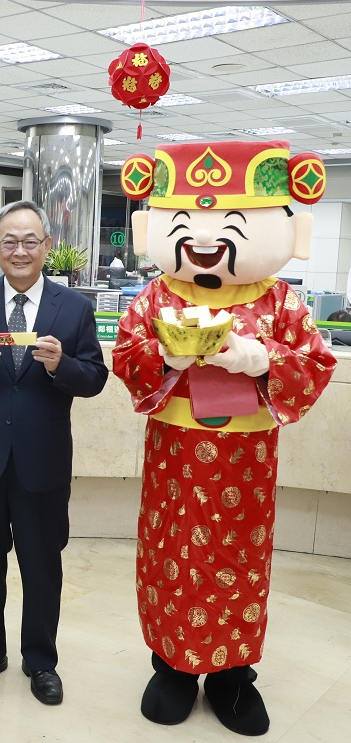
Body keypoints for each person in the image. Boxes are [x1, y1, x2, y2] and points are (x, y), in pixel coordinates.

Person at [113, 140, 337, 736]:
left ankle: (233, 673)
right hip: (175, 458)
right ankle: (172, 665)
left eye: (232, 224)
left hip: (246, 459)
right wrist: (162, 354)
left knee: (238, 560)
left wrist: (259, 359)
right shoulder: (159, 294)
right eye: (186, 223)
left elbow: (315, 362)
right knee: (170, 555)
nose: (205, 239)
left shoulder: (280, 299)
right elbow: (125, 353)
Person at [0, 200, 108, 705]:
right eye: (9, 241)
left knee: (42, 566)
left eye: (30, 241)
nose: (20, 251)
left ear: (47, 248)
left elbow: (95, 379)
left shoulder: (73, 308)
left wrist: (60, 367)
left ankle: (40, 660)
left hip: (43, 463)